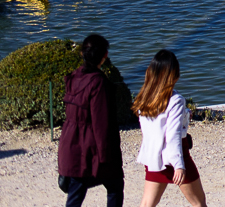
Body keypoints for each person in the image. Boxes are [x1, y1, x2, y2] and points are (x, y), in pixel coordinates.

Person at [57, 32, 124, 207]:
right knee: (115, 185)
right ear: (105, 56)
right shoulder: (98, 82)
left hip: (70, 142)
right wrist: (106, 156)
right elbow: (101, 123)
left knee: (76, 192)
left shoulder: (73, 77)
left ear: (82, 54)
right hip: (90, 147)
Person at [133, 49, 207, 205]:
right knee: (199, 203)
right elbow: (172, 136)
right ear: (174, 74)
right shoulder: (176, 100)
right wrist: (179, 165)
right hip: (176, 155)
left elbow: (155, 128)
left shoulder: (144, 99)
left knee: (147, 204)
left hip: (154, 157)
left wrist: (184, 116)